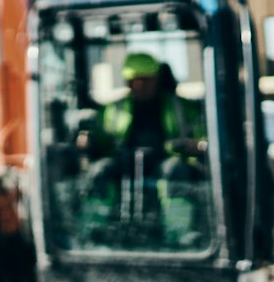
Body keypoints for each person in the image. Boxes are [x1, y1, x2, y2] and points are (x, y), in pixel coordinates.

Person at [81, 51, 207, 244]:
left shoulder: (181, 107)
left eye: (145, 80)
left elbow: (202, 137)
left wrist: (196, 145)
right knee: (100, 170)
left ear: (157, 78)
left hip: (164, 162)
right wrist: (88, 140)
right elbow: (101, 138)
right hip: (124, 163)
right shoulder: (114, 109)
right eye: (133, 80)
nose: (139, 85)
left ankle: (179, 232)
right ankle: (94, 230)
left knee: (175, 169)